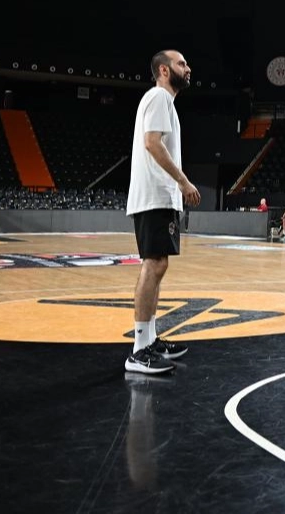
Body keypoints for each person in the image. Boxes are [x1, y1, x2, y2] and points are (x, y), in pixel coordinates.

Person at [125, 50, 201, 375]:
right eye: (181, 63)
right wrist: (183, 181)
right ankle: (139, 350)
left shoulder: (165, 102)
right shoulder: (158, 96)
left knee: (159, 264)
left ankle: (150, 339)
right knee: (153, 263)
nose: (188, 67)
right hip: (154, 195)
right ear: (164, 70)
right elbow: (152, 143)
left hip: (161, 197)